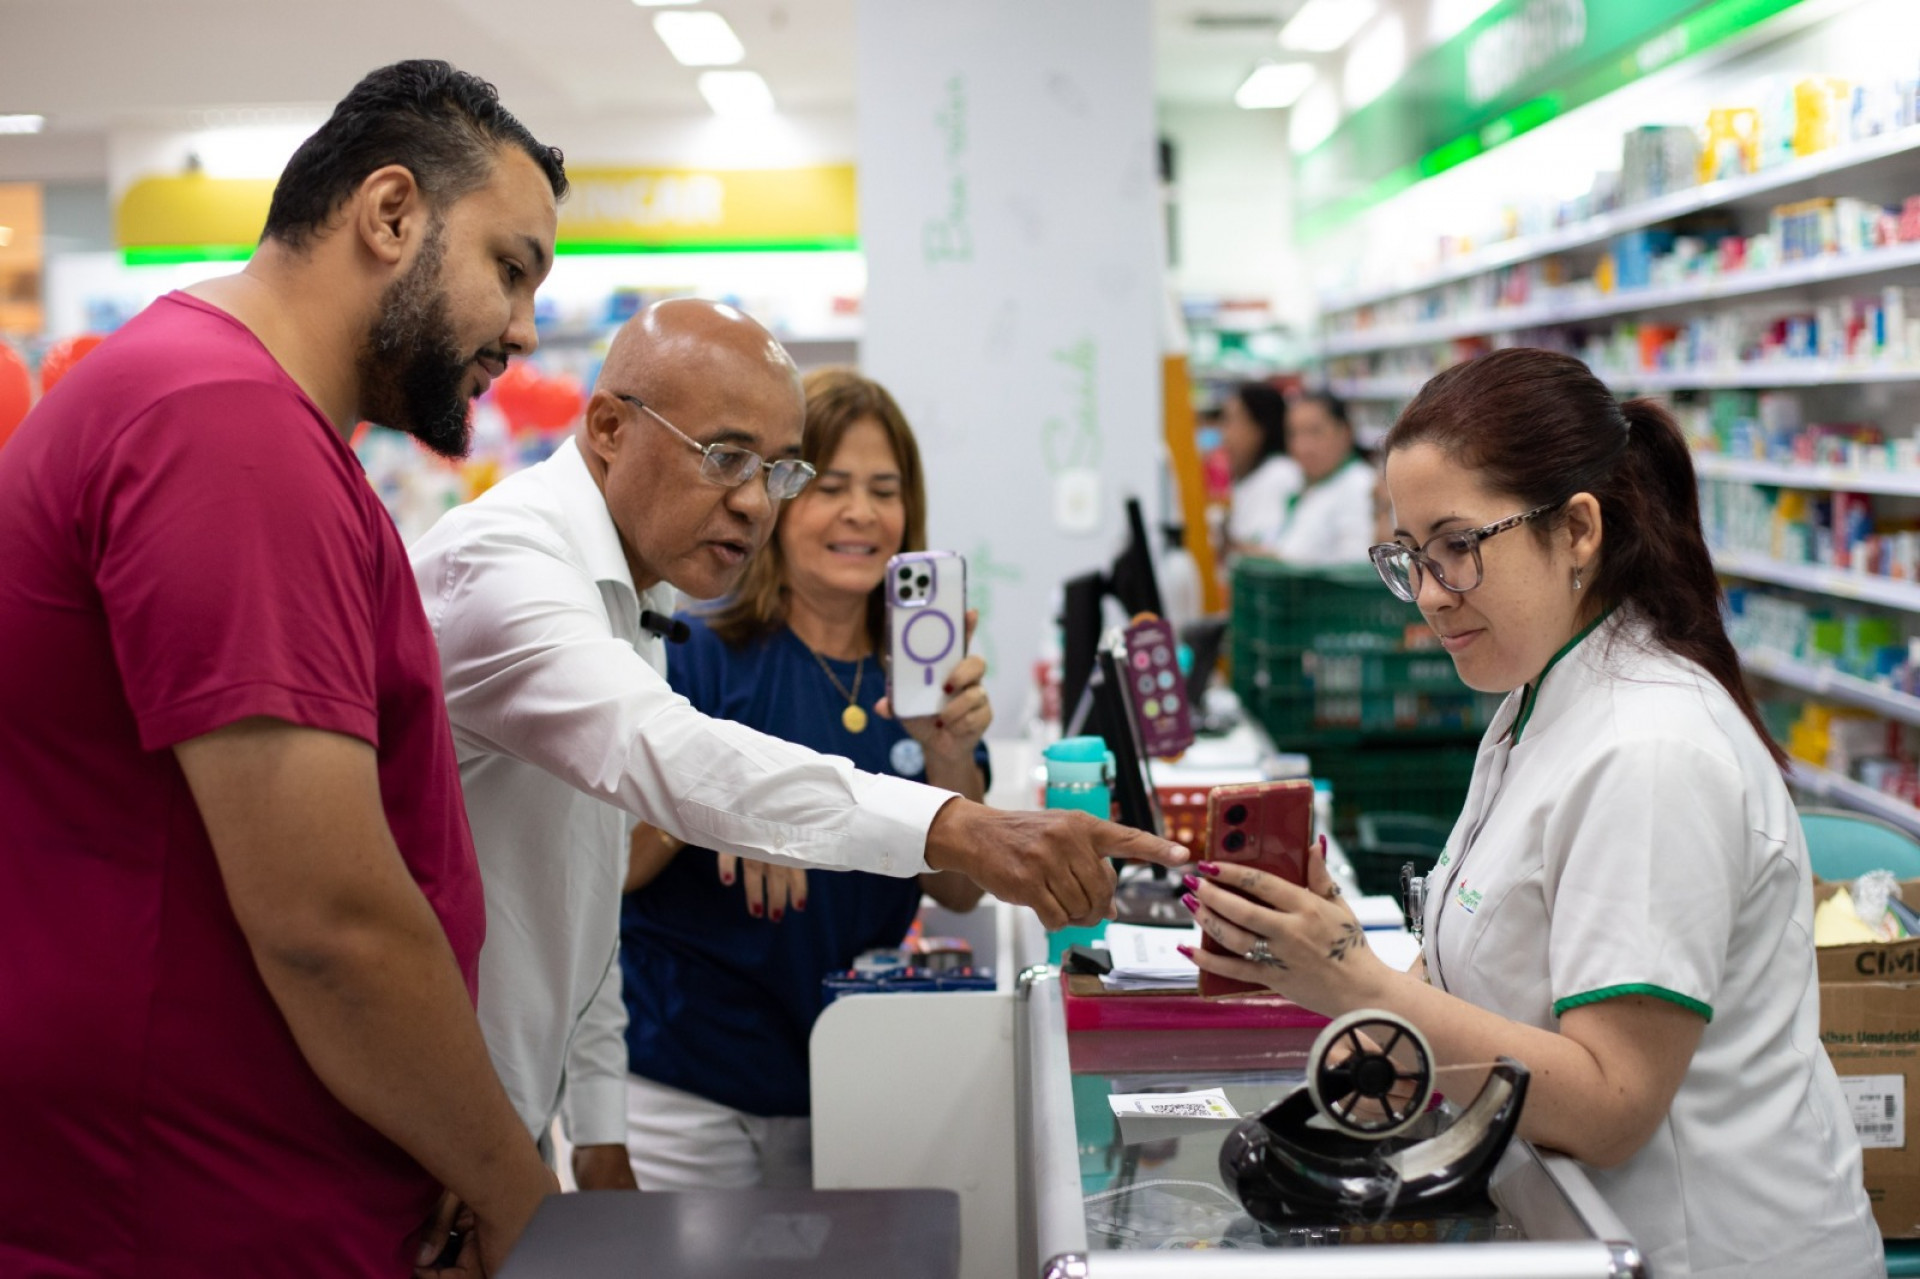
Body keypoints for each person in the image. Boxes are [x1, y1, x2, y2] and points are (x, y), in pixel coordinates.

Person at [408, 299, 1186, 1195]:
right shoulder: (519, 567)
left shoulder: (638, 604)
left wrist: (589, 1127)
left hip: (545, 1105)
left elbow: (576, 897)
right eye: (727, 456)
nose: (753, 499)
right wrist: (964, 826)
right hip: (484, 1105)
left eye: (777, 471)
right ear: (610, 427)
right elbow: (663, 767)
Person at [0, 62, 565, 1277]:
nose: (522, 330)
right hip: (191, 1210)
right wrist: (517, 1194)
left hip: (244, 1188)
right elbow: (330, 921)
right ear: (392, 214)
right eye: (510, 268)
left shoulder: (226, 412)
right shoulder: (223, 432)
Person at [1181, 349, 1881, 1278]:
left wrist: (1355, 981)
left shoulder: (1650, 748)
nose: (1428, 594)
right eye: (1409, 556)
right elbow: (1470, 983)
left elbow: (1611, 1101)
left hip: (1710, 1251)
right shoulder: (1534, 701)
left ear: (1579, 529)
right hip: (1571, 1229)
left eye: (1457, 546)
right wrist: (1330, 954)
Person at [617, 368, 989, 1189]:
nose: (861, 512)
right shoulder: (697, 649)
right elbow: (617, 865)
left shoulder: (918, 673)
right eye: (832, 486)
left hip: (852, 1075)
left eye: (885, 490)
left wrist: (945, 749)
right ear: (778, 501)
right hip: (689, 1082)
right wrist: (731, 803)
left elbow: (962, 893)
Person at [1268, 391, 1375, 565]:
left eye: (1314, 432)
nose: (1301, 446)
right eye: (1293, 434)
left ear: (1345, 432)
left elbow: (1354, 567)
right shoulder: (1307, 484)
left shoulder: (1361, 487)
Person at [1219, 380, 1300, 556]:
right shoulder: (1252, 474)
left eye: (1231, 421)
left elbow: (1265, 552)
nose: (1224, 435)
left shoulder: (1279, 475)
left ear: (1259, 428)